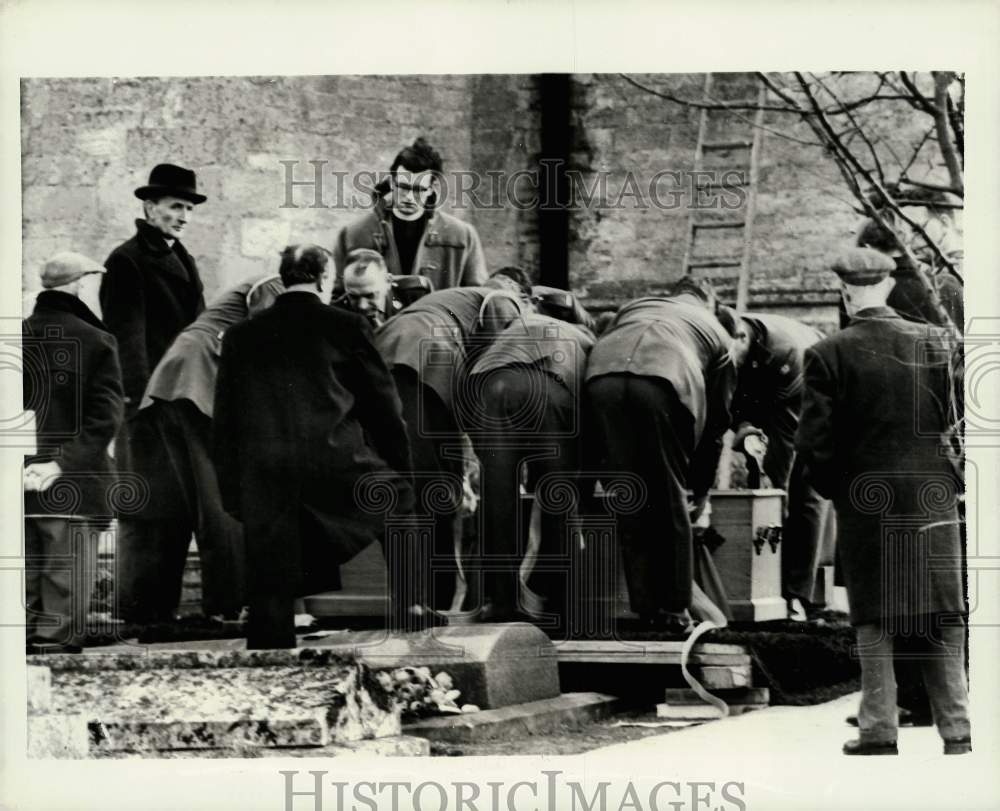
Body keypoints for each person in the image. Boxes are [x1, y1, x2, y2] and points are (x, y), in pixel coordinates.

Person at [214, 245, 445, 648]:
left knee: (271, 562)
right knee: (398, 499)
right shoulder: (347, 326)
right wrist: (400, 468)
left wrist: (232, 488)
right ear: (325, 279)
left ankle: (270, 646)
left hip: (266, 473)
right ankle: (411, 606)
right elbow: (383, 409)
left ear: (284, 278)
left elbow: (225, 420)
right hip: (335, 462)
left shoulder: (240, 335)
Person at [796, 247, 968, 756]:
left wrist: (838, 488)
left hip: (866, 498)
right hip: (932, 493)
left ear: (847, 293)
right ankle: (957, 728)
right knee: (942, 609)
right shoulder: (936, 343)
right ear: (889, 288)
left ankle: (878, 728)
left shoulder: (828, 352)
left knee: (874, 611)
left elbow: (814, 445)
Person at [585, 278, 737, 632]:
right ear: (710, 302)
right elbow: (716, 425)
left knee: (629, 495)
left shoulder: (636, 306)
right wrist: (700, 488)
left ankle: (645, 607)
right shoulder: (715, 330)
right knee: (670, 497)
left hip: (601, 380)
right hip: (663, 382)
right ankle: (674, 609)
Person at [134, 274, 285, 621]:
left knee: (186, 502)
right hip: (198, 380)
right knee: (221, 500)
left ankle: (156, 609)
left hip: (176, 383)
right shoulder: (276, 283)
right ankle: (227, 605)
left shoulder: (259, 285)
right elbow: (267, 334)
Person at [373, 282, 524, 610]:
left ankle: (412, 600)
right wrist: (473, 471)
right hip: (427, 359)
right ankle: (435, 602)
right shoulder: (507, 306)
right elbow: (482, 383)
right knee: (438, 488)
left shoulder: (460, 300)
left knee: (399, 484)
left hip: (382, 352)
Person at [101, 163, 208, 623]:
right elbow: (129, 340)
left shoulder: (180, 256)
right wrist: (141, 406)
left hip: (178, 403)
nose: (183, 216)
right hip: (149, 408)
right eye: (175, 206)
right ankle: (138, 613)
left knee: (176, 510)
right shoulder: (127, 260)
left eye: (188, 207)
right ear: (150, 207)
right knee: (145, 511)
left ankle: (159, 612)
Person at [466, 300, 596, 626]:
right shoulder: (586, 341)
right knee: (559, 499)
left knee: (498, 498)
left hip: (489, 383)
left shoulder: (521, 325)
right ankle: (564, 608)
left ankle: (501, 602)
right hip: (549, 387)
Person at [23, 253, 124, 653]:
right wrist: (61, 463)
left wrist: (27, 466)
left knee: (25, 573)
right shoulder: (97, 339)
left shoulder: (15, 337)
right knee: (65, 586)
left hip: (21, 480)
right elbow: (105, 418)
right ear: (80, 284)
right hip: (76, 482)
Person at [722, 308, 830, 620]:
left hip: (812, 406)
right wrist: (742, 426)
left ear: (742, 338)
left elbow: (787, 436)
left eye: (732, 355)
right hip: (771, 400)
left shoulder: (786, 352)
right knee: (768, 492)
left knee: (805, 493)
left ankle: (797, 595)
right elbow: (728, 399)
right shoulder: (730, 342)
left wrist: (773, 492)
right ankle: (764, 583)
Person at [332, 137, 488, 291]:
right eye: (404, 187)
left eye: (419, 189)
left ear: (432, 188)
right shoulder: (353, 234)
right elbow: (336, 294)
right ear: (392, 182)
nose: (409, 197)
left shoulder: (462, 236)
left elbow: (476, 297)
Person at [333, 249, 434, 327]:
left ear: (388, 281)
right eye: (353, 296)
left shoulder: (415, 295)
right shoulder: (336, 314)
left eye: (370, 295)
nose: (362, 306)